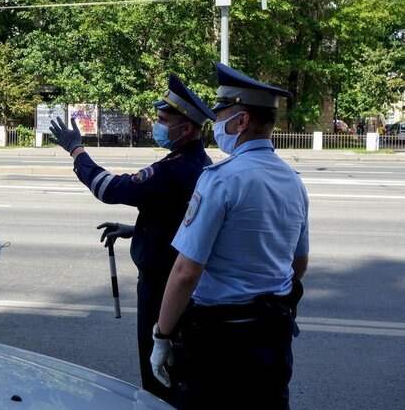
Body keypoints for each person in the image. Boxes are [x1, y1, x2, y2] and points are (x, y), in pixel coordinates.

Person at [150, 63, 309, 409]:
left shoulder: (220, 179)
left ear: (242, 121)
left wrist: (162, 335)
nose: (216, 123)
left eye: (221, 114)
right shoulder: (293, 182)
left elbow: (185, 271)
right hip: (273, 335)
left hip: (221, 339)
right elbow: (299, 263)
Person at [49, 74, 215, 403]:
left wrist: (76, 150)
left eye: (163, 120)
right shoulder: (197, 162)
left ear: (186, 128)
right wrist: (135, 230)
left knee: (160, 379)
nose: (157, 125)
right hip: (175, 282)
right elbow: (177, 219)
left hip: (161, 288)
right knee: (177, 374)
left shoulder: (174, 168)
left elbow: (110, 189)